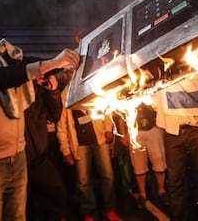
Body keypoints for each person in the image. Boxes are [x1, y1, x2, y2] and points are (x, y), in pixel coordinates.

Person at [0, 1, 80, 221]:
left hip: (17, 154)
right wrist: (52, 63)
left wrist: (68, 58)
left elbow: (24, 65)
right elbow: (1, 77)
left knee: (18, 217)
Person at [153, 71, 198, 221]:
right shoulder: (161, 73)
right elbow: (155, 102)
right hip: (173, 132)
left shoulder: (193, 65)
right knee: (175, 182)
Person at [57, 83, 122, 221]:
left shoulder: (91, 85)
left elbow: (105, 107)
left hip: (99, 138)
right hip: (79, 144)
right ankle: (89, 212)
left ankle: (109, 209)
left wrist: (108, 128)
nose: (71, 72)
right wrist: (66, 150)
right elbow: (61, 125)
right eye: (68, 70)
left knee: (108, 175)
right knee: (83, 180)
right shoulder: (65, 95)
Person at [25, 74, 68, 221]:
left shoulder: (41, 95)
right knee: (30, 207)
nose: (41, 79)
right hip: (21, 161)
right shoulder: (19, 93)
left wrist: (53, 91)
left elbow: (55, 115)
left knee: (57, 193)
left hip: (40, 159)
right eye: (38, 76)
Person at [117, 102, 168, 210]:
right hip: (135, 131)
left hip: (154, 128)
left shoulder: (151, 88)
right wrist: (122, 133)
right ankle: (142, 194)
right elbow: (120, 114)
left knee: (159, 162)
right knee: (138, 165)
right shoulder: (127, 90)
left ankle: (162, 191)